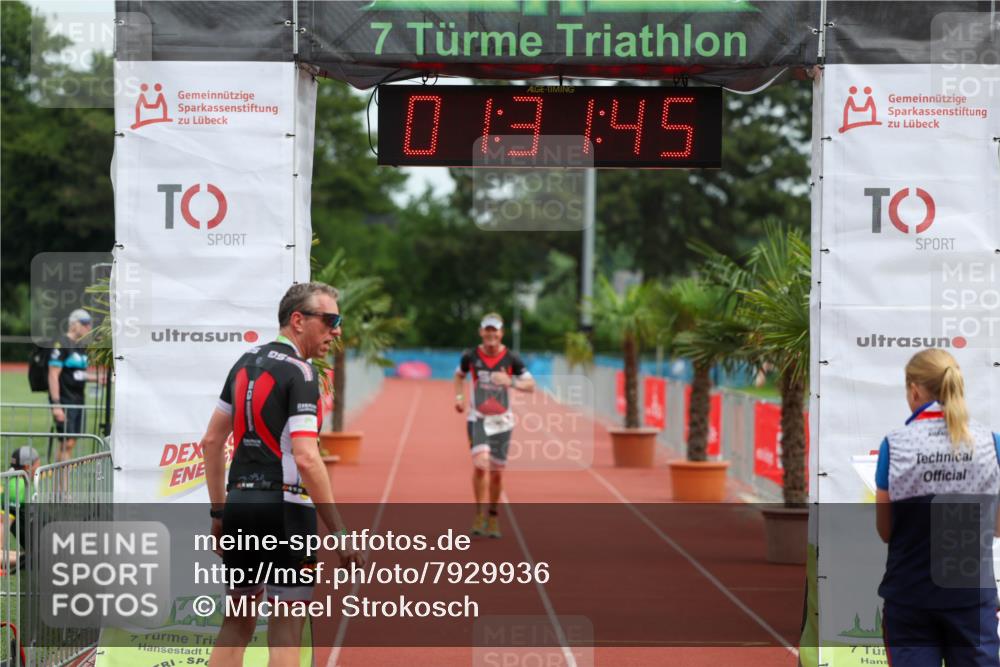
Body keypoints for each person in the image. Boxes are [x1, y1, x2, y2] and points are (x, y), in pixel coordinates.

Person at [201, 282, 362, 667]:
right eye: (330, 320)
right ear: (298, 320)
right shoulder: (301, 372)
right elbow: (307, 458)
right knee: (287, 629)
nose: (336, 331)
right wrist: (338, 530)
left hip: (240, 504)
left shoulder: (243, 362)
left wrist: (219, 514)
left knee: (237, 622)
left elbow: (210, 441)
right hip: (286, 509)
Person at [875, 348, 1000, 666]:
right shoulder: (991, 443)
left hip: (909, 597)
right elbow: (998, 527)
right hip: (971, 599)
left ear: (914, 390)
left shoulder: (896, 444)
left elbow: (886, 531)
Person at [454, 313, 535, 538]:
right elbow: (459, 377)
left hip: (502, 422)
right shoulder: (470, 356)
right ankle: (479, 515)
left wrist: (511, 381)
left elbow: (531, 385)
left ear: (501, 333)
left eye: (495, 330)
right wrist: (460, 398)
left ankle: (493, 516)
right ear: (481, 332)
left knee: (497, 473)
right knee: (481, 465)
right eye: (487, 330)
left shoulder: (512, 358)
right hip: (478, 419)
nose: (491, 334)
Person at [48, 309, 95, 462]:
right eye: (86, 324)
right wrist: (56, 405)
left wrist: (97, 379)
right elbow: (53, 374)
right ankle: (61, 486)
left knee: (71, 442)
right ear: (74, 324)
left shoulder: (81, 346)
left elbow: (78, 374)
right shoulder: (61, 343)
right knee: (65, 443)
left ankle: (62, 485)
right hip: (65, 400)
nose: (89, 327)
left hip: (78, 401)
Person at [1, 447, 40, 572]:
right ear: (28, 466)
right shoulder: (17, 486)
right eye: (37, 465)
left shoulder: (22, 482)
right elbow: (4, 522)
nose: (39, 468)